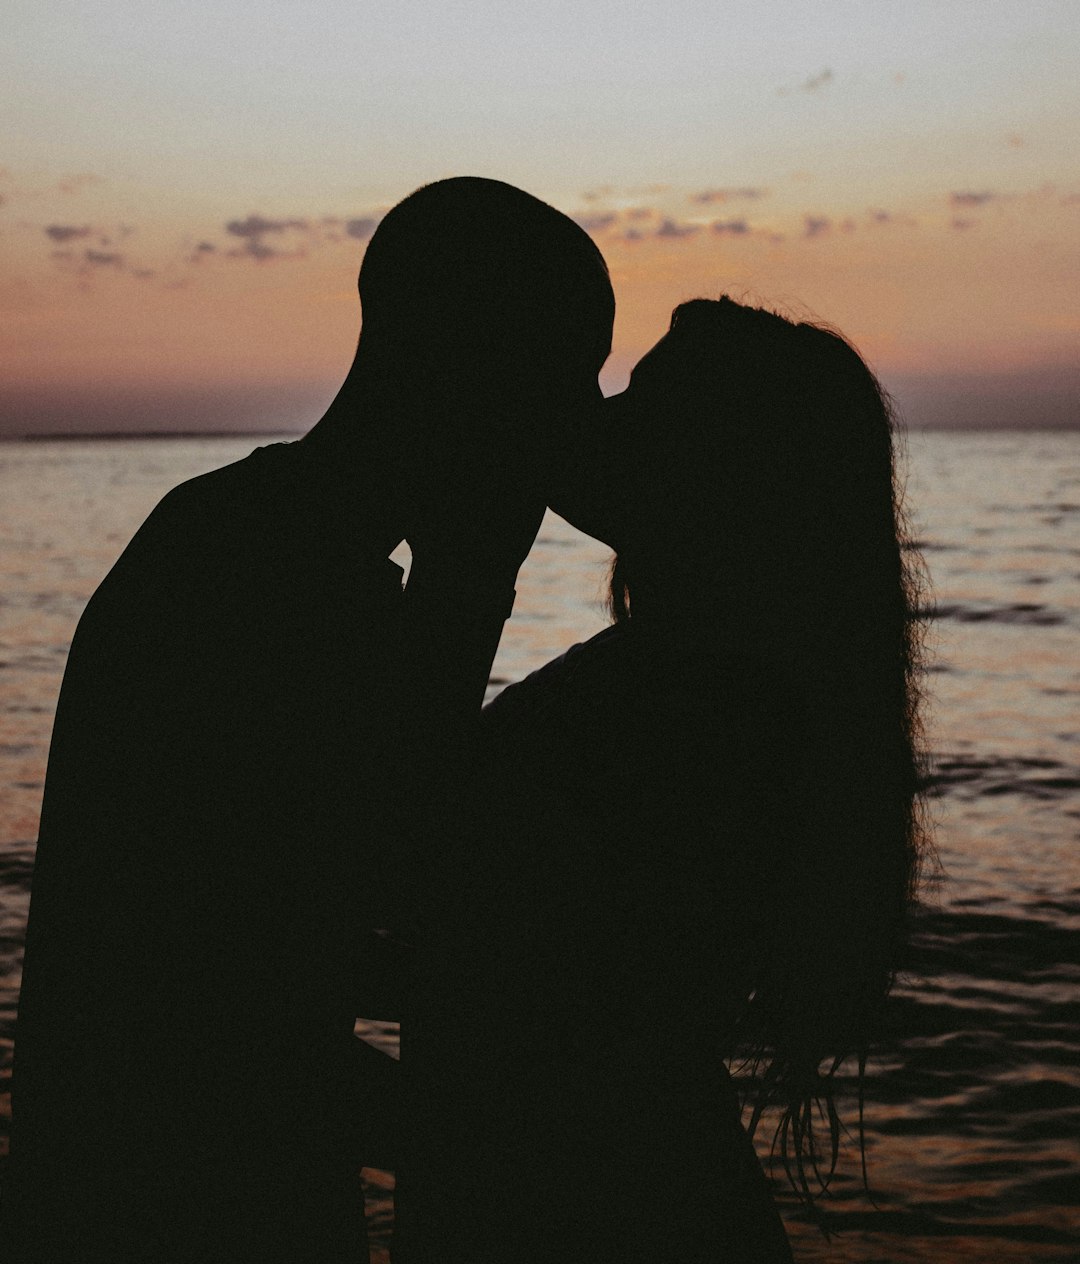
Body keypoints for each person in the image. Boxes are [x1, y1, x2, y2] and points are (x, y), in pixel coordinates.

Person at [2, 177, 615, 1263]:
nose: (571, 427)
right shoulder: (258, 578)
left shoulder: (263, 549)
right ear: (475, 365)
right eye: (565, 380)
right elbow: (289, 955)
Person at [404, 296, 928, 1261]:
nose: (597, 417)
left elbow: (424, 898)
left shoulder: (683, 709)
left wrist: (466, 559)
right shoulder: (719, 691)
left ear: (717, 469)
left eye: (643, 401)